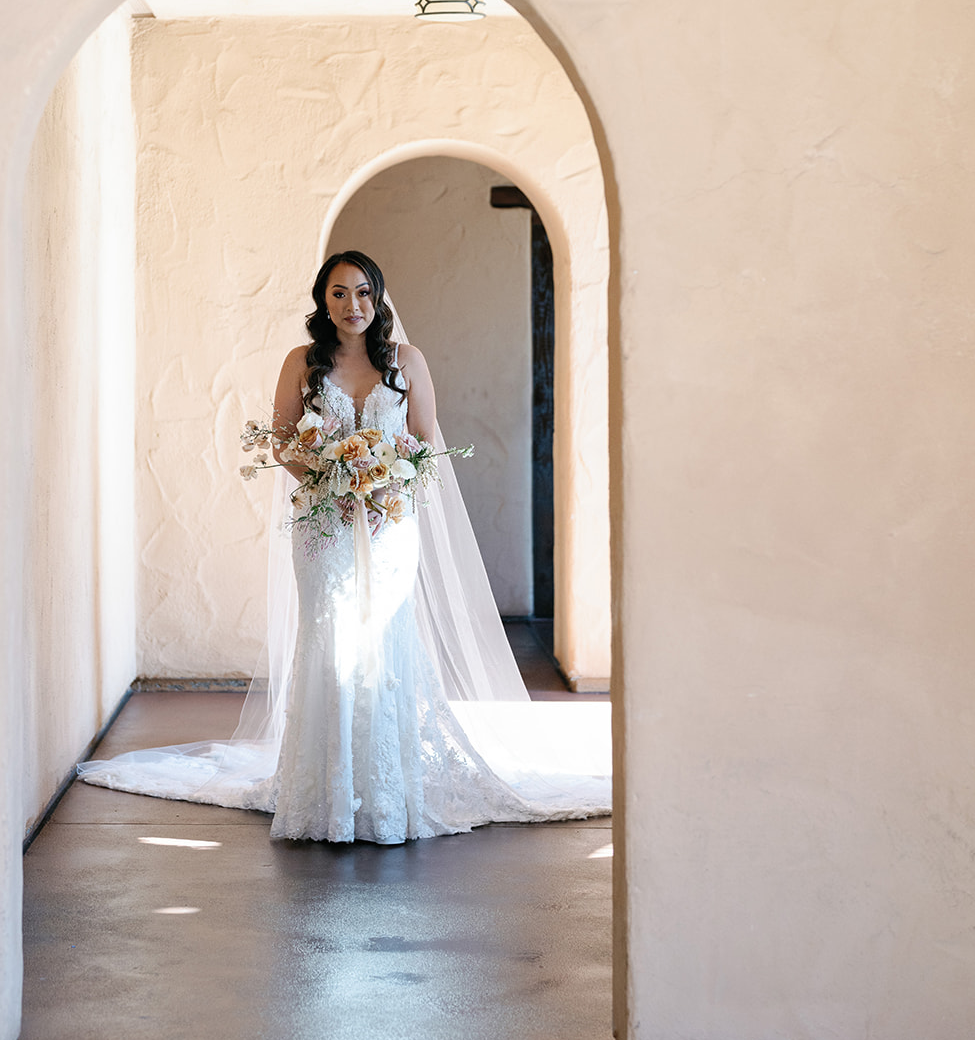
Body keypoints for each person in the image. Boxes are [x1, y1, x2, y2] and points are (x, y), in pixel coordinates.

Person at [78, 250, 610, 843]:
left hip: (388, 523)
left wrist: (385, 482)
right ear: (322, 300)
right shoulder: (302, 362)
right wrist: (333, 478)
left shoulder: (407, 361)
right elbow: (282, 442)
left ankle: (388, 792)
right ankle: (322, 793)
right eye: (338, 293)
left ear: (378, 298)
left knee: (385, 640)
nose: (351, 305)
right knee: (329, 635)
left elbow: (426, 440)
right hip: (323, 524)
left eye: (361, 292)